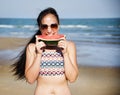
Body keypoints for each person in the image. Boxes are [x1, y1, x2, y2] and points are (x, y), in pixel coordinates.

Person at [12, 7, 79, 95]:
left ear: (58, 26)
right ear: (40, 28)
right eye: (44, 26)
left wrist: (65, 54)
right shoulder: (32, 48)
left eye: (53, 26)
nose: (49, 30)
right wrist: (39, 54)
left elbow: (72, 78)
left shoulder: (69, 46)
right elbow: (30, 80)